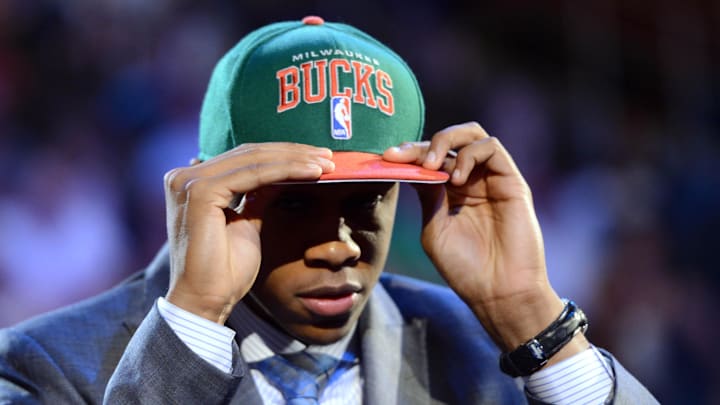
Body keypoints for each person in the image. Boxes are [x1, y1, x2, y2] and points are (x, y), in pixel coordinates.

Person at [0, 16, 657, 404]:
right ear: (206, 200)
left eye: (369, 196)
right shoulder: (43, 363)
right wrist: (192, 322)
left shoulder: (488, 350)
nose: (340, 244)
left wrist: (534, 319)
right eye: (294, 199)